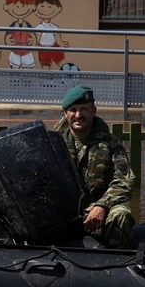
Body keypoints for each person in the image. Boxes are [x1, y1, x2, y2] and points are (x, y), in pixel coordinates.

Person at [54, 84, 135, 247]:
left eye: (84, 109)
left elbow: (124, 182)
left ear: (93, 111)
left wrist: (102, 205)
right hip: (64, 211)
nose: (78, 115)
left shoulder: (111, 143)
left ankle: (114, 264)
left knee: (121, 215)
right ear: (65, 113)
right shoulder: (53, 143)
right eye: (73, 110)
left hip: (98, 209)